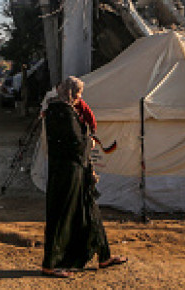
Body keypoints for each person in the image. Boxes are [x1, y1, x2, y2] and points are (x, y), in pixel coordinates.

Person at [40, 77, 126, 278]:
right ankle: (50, 264)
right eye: (78, 93)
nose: (80, 97)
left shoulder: (61, 110)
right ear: (70, 92)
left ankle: (104, 255)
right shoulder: (62, 112)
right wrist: (89, 143)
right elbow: (73, 144)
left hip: (78, 172)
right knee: (61, 216)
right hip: (67, 174)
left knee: (90, 211)